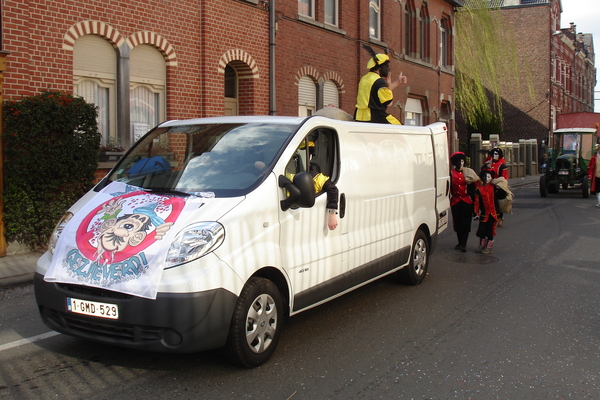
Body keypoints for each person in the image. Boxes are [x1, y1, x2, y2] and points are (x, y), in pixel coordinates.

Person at [354, 51, 407, 124]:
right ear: (380, 68)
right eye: (387, 66)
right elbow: (388, 103)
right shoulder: (379, 81)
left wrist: (398, 82)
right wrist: (388, 85)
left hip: (359, 117)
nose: (389, 69)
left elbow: (375, 93)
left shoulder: (364, 79)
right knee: (400, 128)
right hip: (375, 117)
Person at [450, 152, 480, 252]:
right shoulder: (451, 173)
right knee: (457, 222)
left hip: (467, 201)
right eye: (459, 162)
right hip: (456, 201)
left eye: (462, 161)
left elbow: (476, 185)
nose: (461, 163)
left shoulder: (468, 172)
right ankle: (459, 242)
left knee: (465, 223)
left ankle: (464, 244)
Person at [474, 169, 506, 254]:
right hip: (484, 214)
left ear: (491, 177)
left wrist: (500, 188)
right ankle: (482, 245)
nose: (487, 178)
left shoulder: (495, 188)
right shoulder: (479, 189)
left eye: (489, 177)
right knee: (481, 230)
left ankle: (489, 247)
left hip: (493, 214)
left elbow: (502, 196)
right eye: (485, 177)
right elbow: (476, 203)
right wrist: (476, 213)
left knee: (490, 230)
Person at [482, 147, 509, 226]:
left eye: (496, 154)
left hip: (497, 187)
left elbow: (504, 178)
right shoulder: (487, 164)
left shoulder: (502, 166)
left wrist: (499, 185)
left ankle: (500, 217)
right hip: (488, 186)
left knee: (497, 204)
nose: (494, 155)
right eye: (493, 154)